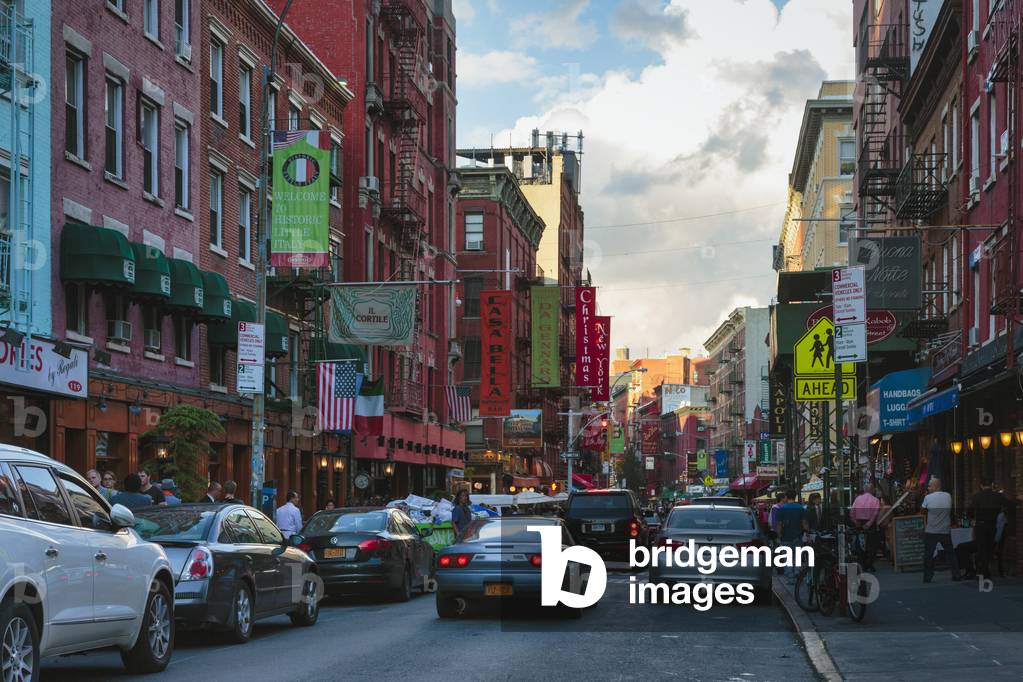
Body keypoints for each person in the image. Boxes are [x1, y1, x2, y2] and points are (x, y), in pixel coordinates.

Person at [921, 477, 961, 583]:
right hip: (945, 530)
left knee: (928, 554)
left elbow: (923, 512)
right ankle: (956, 574)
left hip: (931, 531)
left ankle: (927, 576)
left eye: (929, 485)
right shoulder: (948, 496)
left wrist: (926, 497)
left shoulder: (928, 498)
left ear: (936, 486)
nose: (928, 487)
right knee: (950, 553)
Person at [971, 479, 1008, 579]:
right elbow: (1009, 504)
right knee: (989, 549)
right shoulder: (998, 496)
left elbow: (970, 510)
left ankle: (983, 573)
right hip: (992, 526)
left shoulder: (977, 496)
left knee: (982, 549)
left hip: (980, 525)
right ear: (991, 485)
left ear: (981, 485)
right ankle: (984, 572)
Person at [850, 485, 882, 571]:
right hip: (870, 525)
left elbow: (852, 512)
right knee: (872, 545)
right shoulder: (875, 500)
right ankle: (869, 563)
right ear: (872, 490)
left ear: (864, 490)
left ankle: (863, 563)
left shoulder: (857, 499)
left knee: (860, 545)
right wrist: (869, 523)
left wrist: (856, 522)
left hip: (859, 523)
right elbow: (875, 514)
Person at [776, 491, 805, 582]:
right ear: (795, 496)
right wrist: (806, 531)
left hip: (786, 536)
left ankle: (790, 576)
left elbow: (779, 524)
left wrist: (779, 535)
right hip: (798, 536)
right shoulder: (801, 508)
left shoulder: (782, 508)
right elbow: (804, 523)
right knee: (797, 556)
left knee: (787, 557)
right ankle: (797, 573)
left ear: (786, 497)